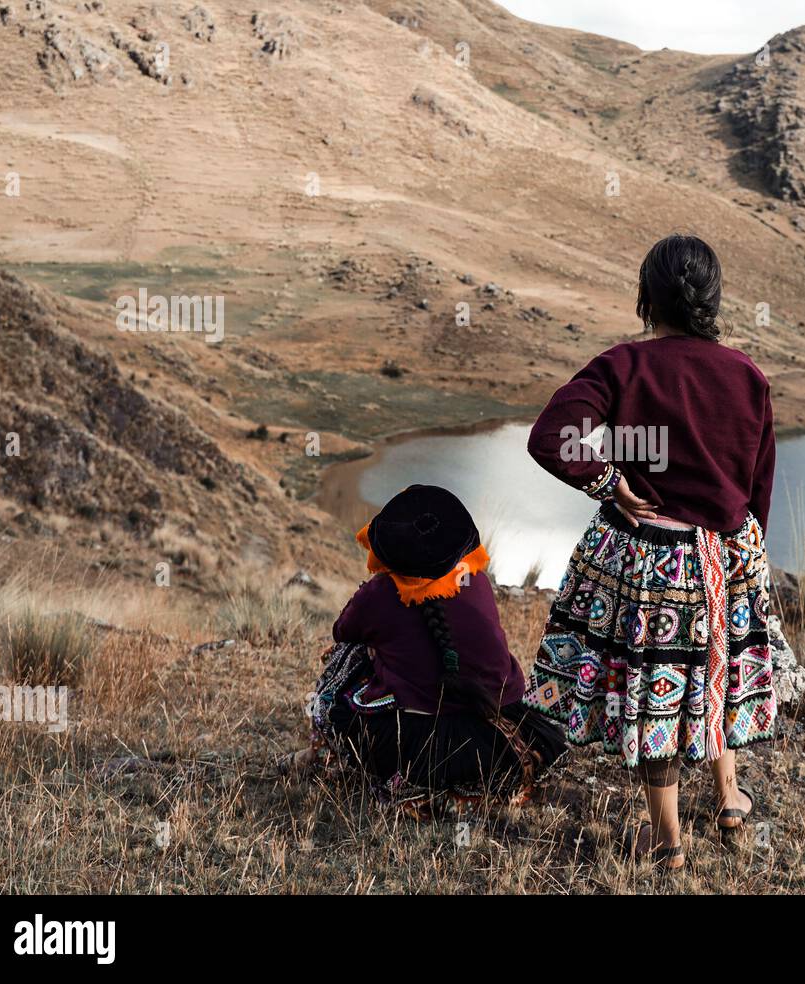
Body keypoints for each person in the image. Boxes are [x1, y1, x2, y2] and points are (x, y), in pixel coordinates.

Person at [523, 233, 777, 869]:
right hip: (726, 558)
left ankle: (667, 844)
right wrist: (744, 553)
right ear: (712, 300)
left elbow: (552, 436)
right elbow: (758, 488)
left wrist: (610, 483)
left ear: (647, 297)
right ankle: (729, 800)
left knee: (657, 693)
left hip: (651, 565)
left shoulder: (624, 366)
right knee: (713, 669)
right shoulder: (747, 376)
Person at [290, 484, 565, 812]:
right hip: (502, 730)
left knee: (345, 655)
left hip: (423, 745)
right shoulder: (473, 576)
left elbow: (342, 631)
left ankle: (317, 755)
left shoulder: (380, 593)